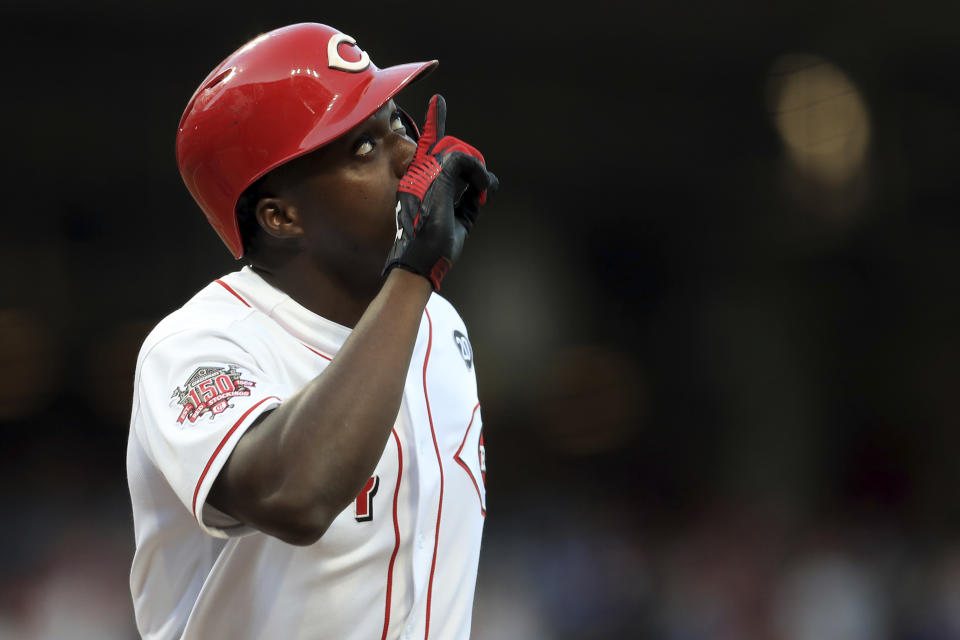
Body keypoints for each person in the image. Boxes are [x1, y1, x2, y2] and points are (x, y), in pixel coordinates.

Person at [126, 22, 498, 640]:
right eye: (363, 149)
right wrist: (412, 273)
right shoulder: (198, 345)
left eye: (397, 125)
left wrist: (413, 281)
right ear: (280, 215)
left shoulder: (438, 324)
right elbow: (294, 496)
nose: (410, 157)